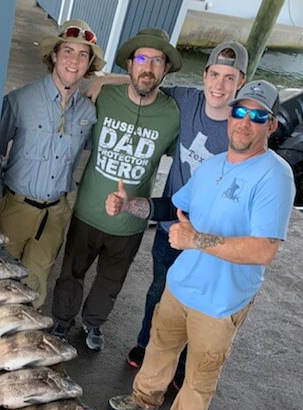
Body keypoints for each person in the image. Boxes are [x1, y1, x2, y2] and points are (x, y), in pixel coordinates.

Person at [105, 80, 295, 410]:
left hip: (221, 301)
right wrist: (130, 205)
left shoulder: (275, 176)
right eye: (240, 112)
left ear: (271, 125)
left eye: (257, 115)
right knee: (159, 347)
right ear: (230, 116)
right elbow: (172, 206)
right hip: (181, 285)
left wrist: (196, 240)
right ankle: (144, 397)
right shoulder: (212, 165)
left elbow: (264, 250)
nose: (245, 122)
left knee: (199, 379)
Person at [88, 42, 249, 386]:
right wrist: (106, 79)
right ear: (204, 75)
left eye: (229, 78)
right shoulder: (186, 99)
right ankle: (145, 344)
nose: (219, 86)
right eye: (215, 75)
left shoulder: (241, 125)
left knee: (197, 305)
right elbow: (145, 83)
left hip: (209, 239)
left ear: (241, 82)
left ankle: (180, 365)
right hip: (169, 226)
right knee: (158, 292)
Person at [49, 28, 182, 352]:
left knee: (111, 281)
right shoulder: (104, 97)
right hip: (88, 211)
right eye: (141, 58)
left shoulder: (172, 114)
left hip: (131, 221)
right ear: (129, 65)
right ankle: (62, 322)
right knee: (71, 272)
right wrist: (105, 80)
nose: (147, 67)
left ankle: (93, 323)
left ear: (165, 69)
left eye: (156, 61)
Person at [0, 20, 105, 309]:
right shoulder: (20, 100)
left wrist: (106, 81)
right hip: (14, 207)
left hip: (55, 215)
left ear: (89, 64)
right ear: (54, 55)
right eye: (67, 51)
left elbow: (141, 87)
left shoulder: (90, 112)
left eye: (83, 55)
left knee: (34, 287)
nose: (74, 61)